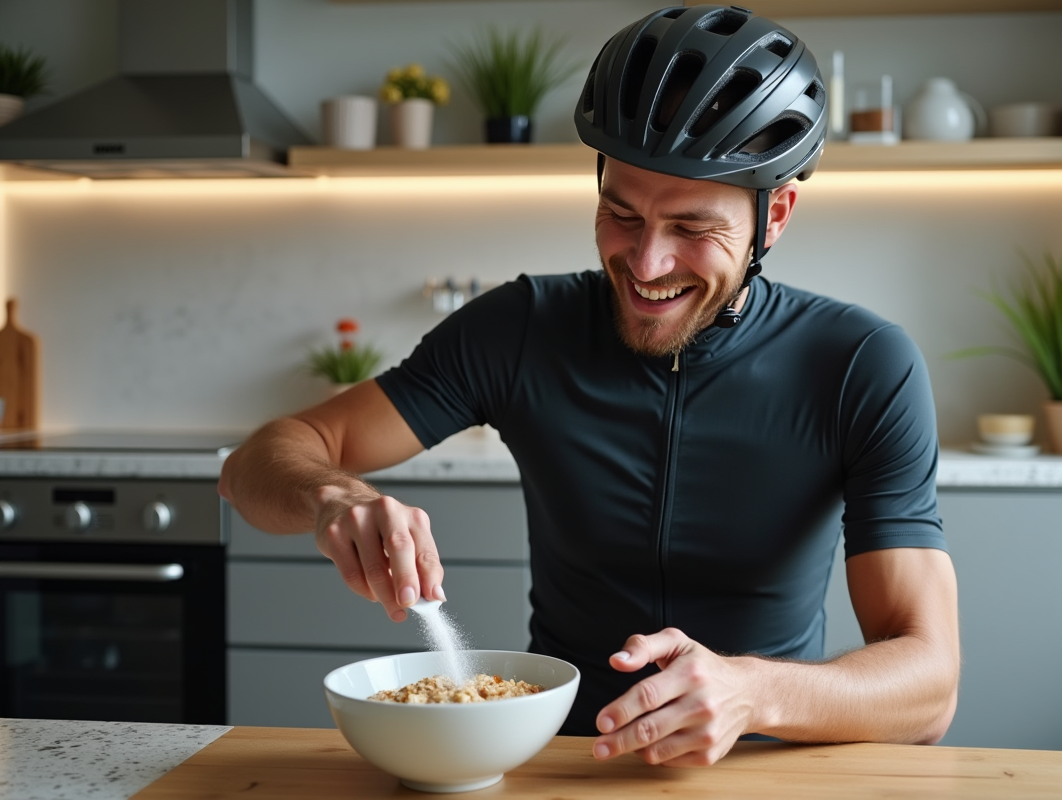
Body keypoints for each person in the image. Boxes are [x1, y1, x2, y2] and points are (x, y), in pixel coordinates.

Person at [219, 5, 959, 768]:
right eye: (621, 213)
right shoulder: (519, 330)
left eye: (693, 229)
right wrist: (333, 496)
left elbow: (930, 687)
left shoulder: (861, 364)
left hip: (766, 766)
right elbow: (253, 467)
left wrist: (752, 693)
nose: (646, 264)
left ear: (776, 216)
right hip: (555, 765)